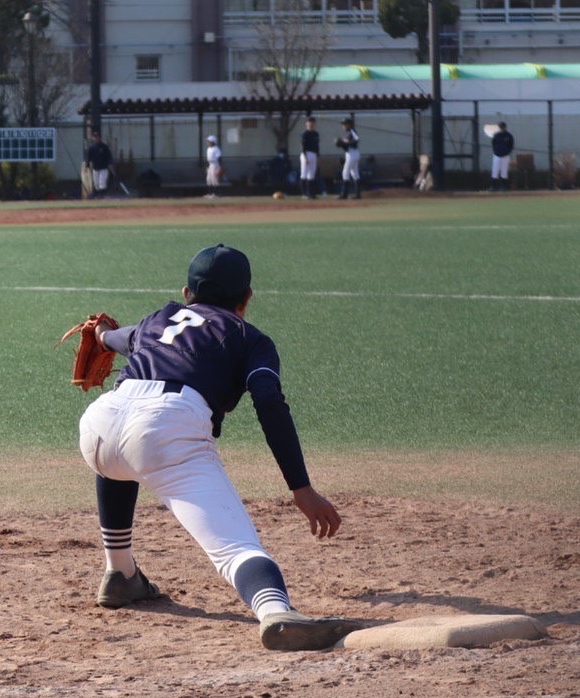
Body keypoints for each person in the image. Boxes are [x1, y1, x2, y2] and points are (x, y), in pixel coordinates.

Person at [74, 244, 365, 651]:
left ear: (186, 291)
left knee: (121, 456)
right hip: (167, 429)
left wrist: (102, 335)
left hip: (99, 426)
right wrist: (301, 488)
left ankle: (120, 574)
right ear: (246, 299)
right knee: (235, 550)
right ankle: (275, 612)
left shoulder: (160, 317)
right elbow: (269, 403)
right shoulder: (250, 338)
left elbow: (114, 338)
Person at [335, 117, 361, 199]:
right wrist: (342, 144)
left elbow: (357, 139)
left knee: (345, 172)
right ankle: (358, 194)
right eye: (343, 124)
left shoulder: (352, 131)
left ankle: (344, 194)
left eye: (345, 124)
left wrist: (346, 142)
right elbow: (346, 145)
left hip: (352, 153)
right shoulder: (348, 133)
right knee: (355, 174)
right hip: (352, 153)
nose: (343, 125)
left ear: (349, 124)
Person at [85, 129, 114, 199]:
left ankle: (102, 196)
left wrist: (110, 164)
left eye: (97, 137)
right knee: (96, 184)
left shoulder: (104, 147)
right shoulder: (91, 148)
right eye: (94, 137)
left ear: (100, 138)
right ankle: (97, 196)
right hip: (95, 168)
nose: (96, 138)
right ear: (93, 138)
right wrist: (87, 164)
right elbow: (89, 157)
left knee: (102, 183)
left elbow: (109, 157)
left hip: (104, 168)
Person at [489, 121, 514, 192]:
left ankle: (504, 187)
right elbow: (493, 144)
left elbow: (511, 146)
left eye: (502, 127)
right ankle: (493, 187)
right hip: (496, 155)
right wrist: (496, 152)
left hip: (505, 156)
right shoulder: (496, 135)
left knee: (504, 171)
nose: (501, 128)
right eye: (500, 127)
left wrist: (507, 152)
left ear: (505, 127)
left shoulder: (509, 136)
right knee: (495, 170)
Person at [298, 117, 320, 199]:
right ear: (306, 124)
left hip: (313, 154)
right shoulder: (305, 134)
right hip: (306, 154)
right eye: (309, 123)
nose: (311, 124)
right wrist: (305, 157)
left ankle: (311, 193)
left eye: (313, 123)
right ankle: (304, 193)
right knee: (304, 173)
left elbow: (317, 146)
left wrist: (318, 156)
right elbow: (303, 146)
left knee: (312, 174)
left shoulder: (316, 134)